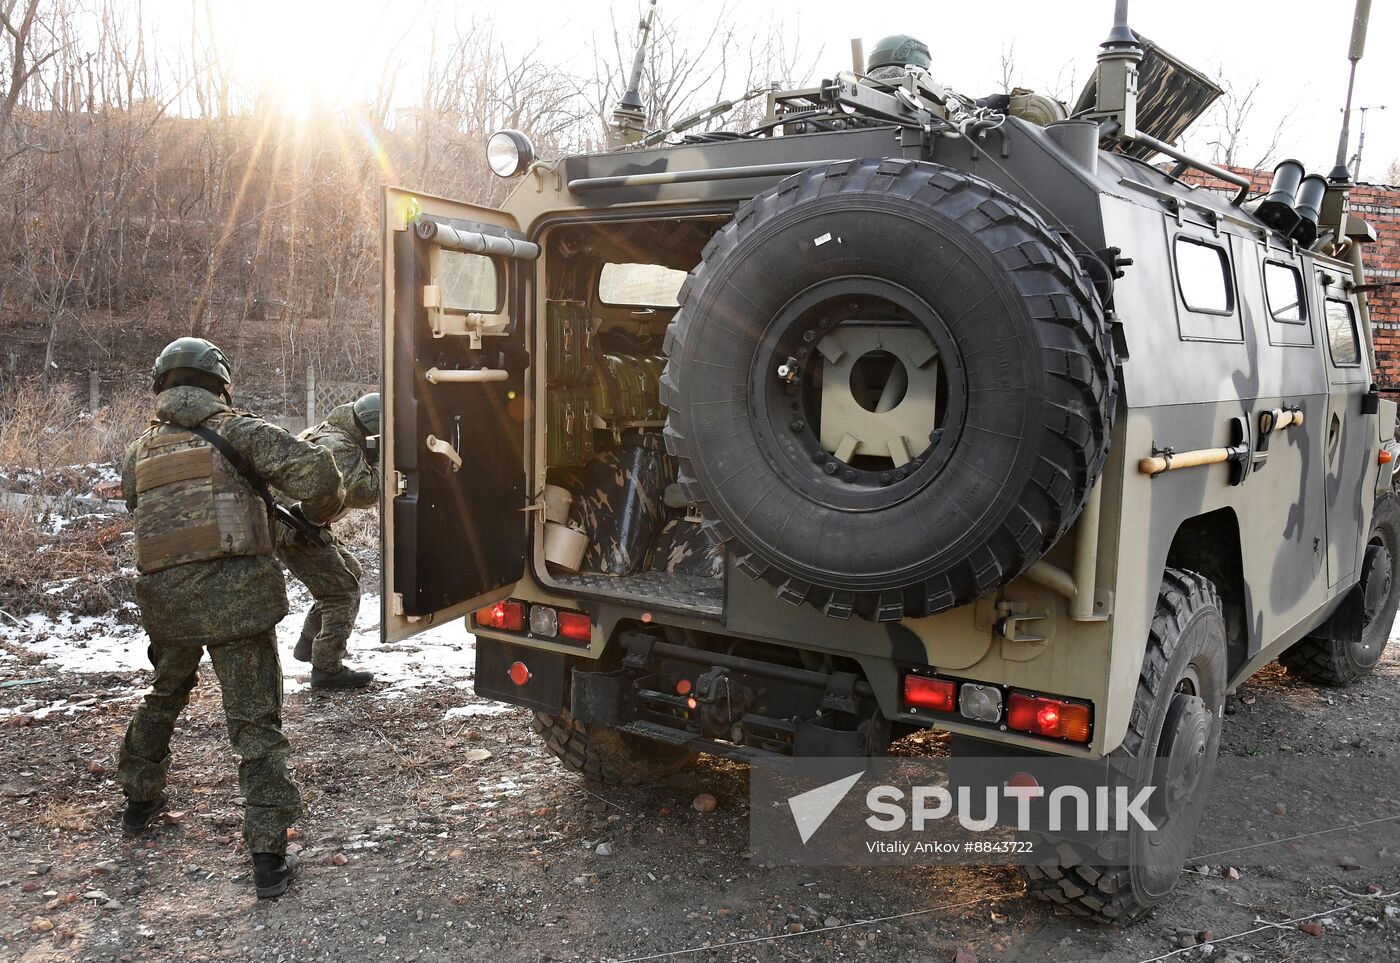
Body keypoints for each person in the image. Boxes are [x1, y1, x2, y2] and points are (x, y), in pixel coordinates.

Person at [116, 337, 343, 900]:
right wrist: (314, 519)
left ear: (162, 386)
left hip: (167, 603)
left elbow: (137, 506)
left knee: (164, 694)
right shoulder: (241, 431)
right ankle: (268, 858)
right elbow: (320, 479)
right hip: (238, 603)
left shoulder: (138, 451)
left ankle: (139, 799)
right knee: (255, 726)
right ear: (220, 384)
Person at [279, 392, 381, 689]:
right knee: (342, 592)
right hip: (295, 528)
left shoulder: (330, 431)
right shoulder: (339, 445)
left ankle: (309, 643)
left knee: (351, 571)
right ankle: (327, 668)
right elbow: (365, 492)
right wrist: (386, 461)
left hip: (300, 521)